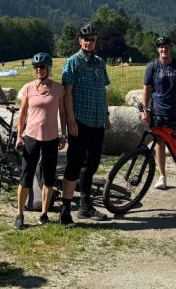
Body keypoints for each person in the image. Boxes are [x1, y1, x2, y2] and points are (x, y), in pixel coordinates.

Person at [59, 23, 110, 226]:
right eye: (86, 39)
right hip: (80, 121)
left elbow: (103, 91)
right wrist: (70, 120)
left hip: (97, 120)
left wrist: (106, 115)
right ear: (80, 41)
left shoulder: (100, 63)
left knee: (92, 164)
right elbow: (67, 93)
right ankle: (65, 211)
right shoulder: (72, 63)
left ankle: (85, 206)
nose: (89, 43)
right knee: (74, 164)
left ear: (96, 42)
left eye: (92, 40)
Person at [13, 52, 67, 229]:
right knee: (26, 175)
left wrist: (63, 134)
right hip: (31, 137)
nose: (38, 70)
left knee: (49, 177)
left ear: (48, 68)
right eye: (36, 67)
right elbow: (22, 115)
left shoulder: (58, 89)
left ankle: (44, 213)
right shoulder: (28, 88)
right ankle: (20, 214)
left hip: (51, 138)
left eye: (42, 67)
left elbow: (63, 113)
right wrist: (19, 135)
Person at [141, 35, 176, 189]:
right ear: (158, 49)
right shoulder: (152, 67)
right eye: (161, 47)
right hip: (158, 112)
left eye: (167, 47)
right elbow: (146, 90)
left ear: (171, 48)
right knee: (159, 143)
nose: (164, 49)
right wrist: (145, 110)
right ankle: (162, 176)